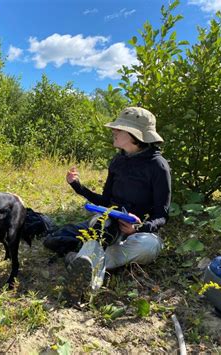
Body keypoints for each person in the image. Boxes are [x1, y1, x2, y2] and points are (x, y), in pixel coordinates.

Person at [43, 107, 171, 292]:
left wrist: (139, 228)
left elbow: (162, 214)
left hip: (135, 231)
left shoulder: (158, 166)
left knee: (150, 246)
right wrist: (77, 186)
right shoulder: (117, 161)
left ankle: (82, 259)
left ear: (135, 135)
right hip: (108, 222)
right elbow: (105, 201)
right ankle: (91, 279)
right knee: (100, 224)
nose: (114, 131)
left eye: (119, 129)